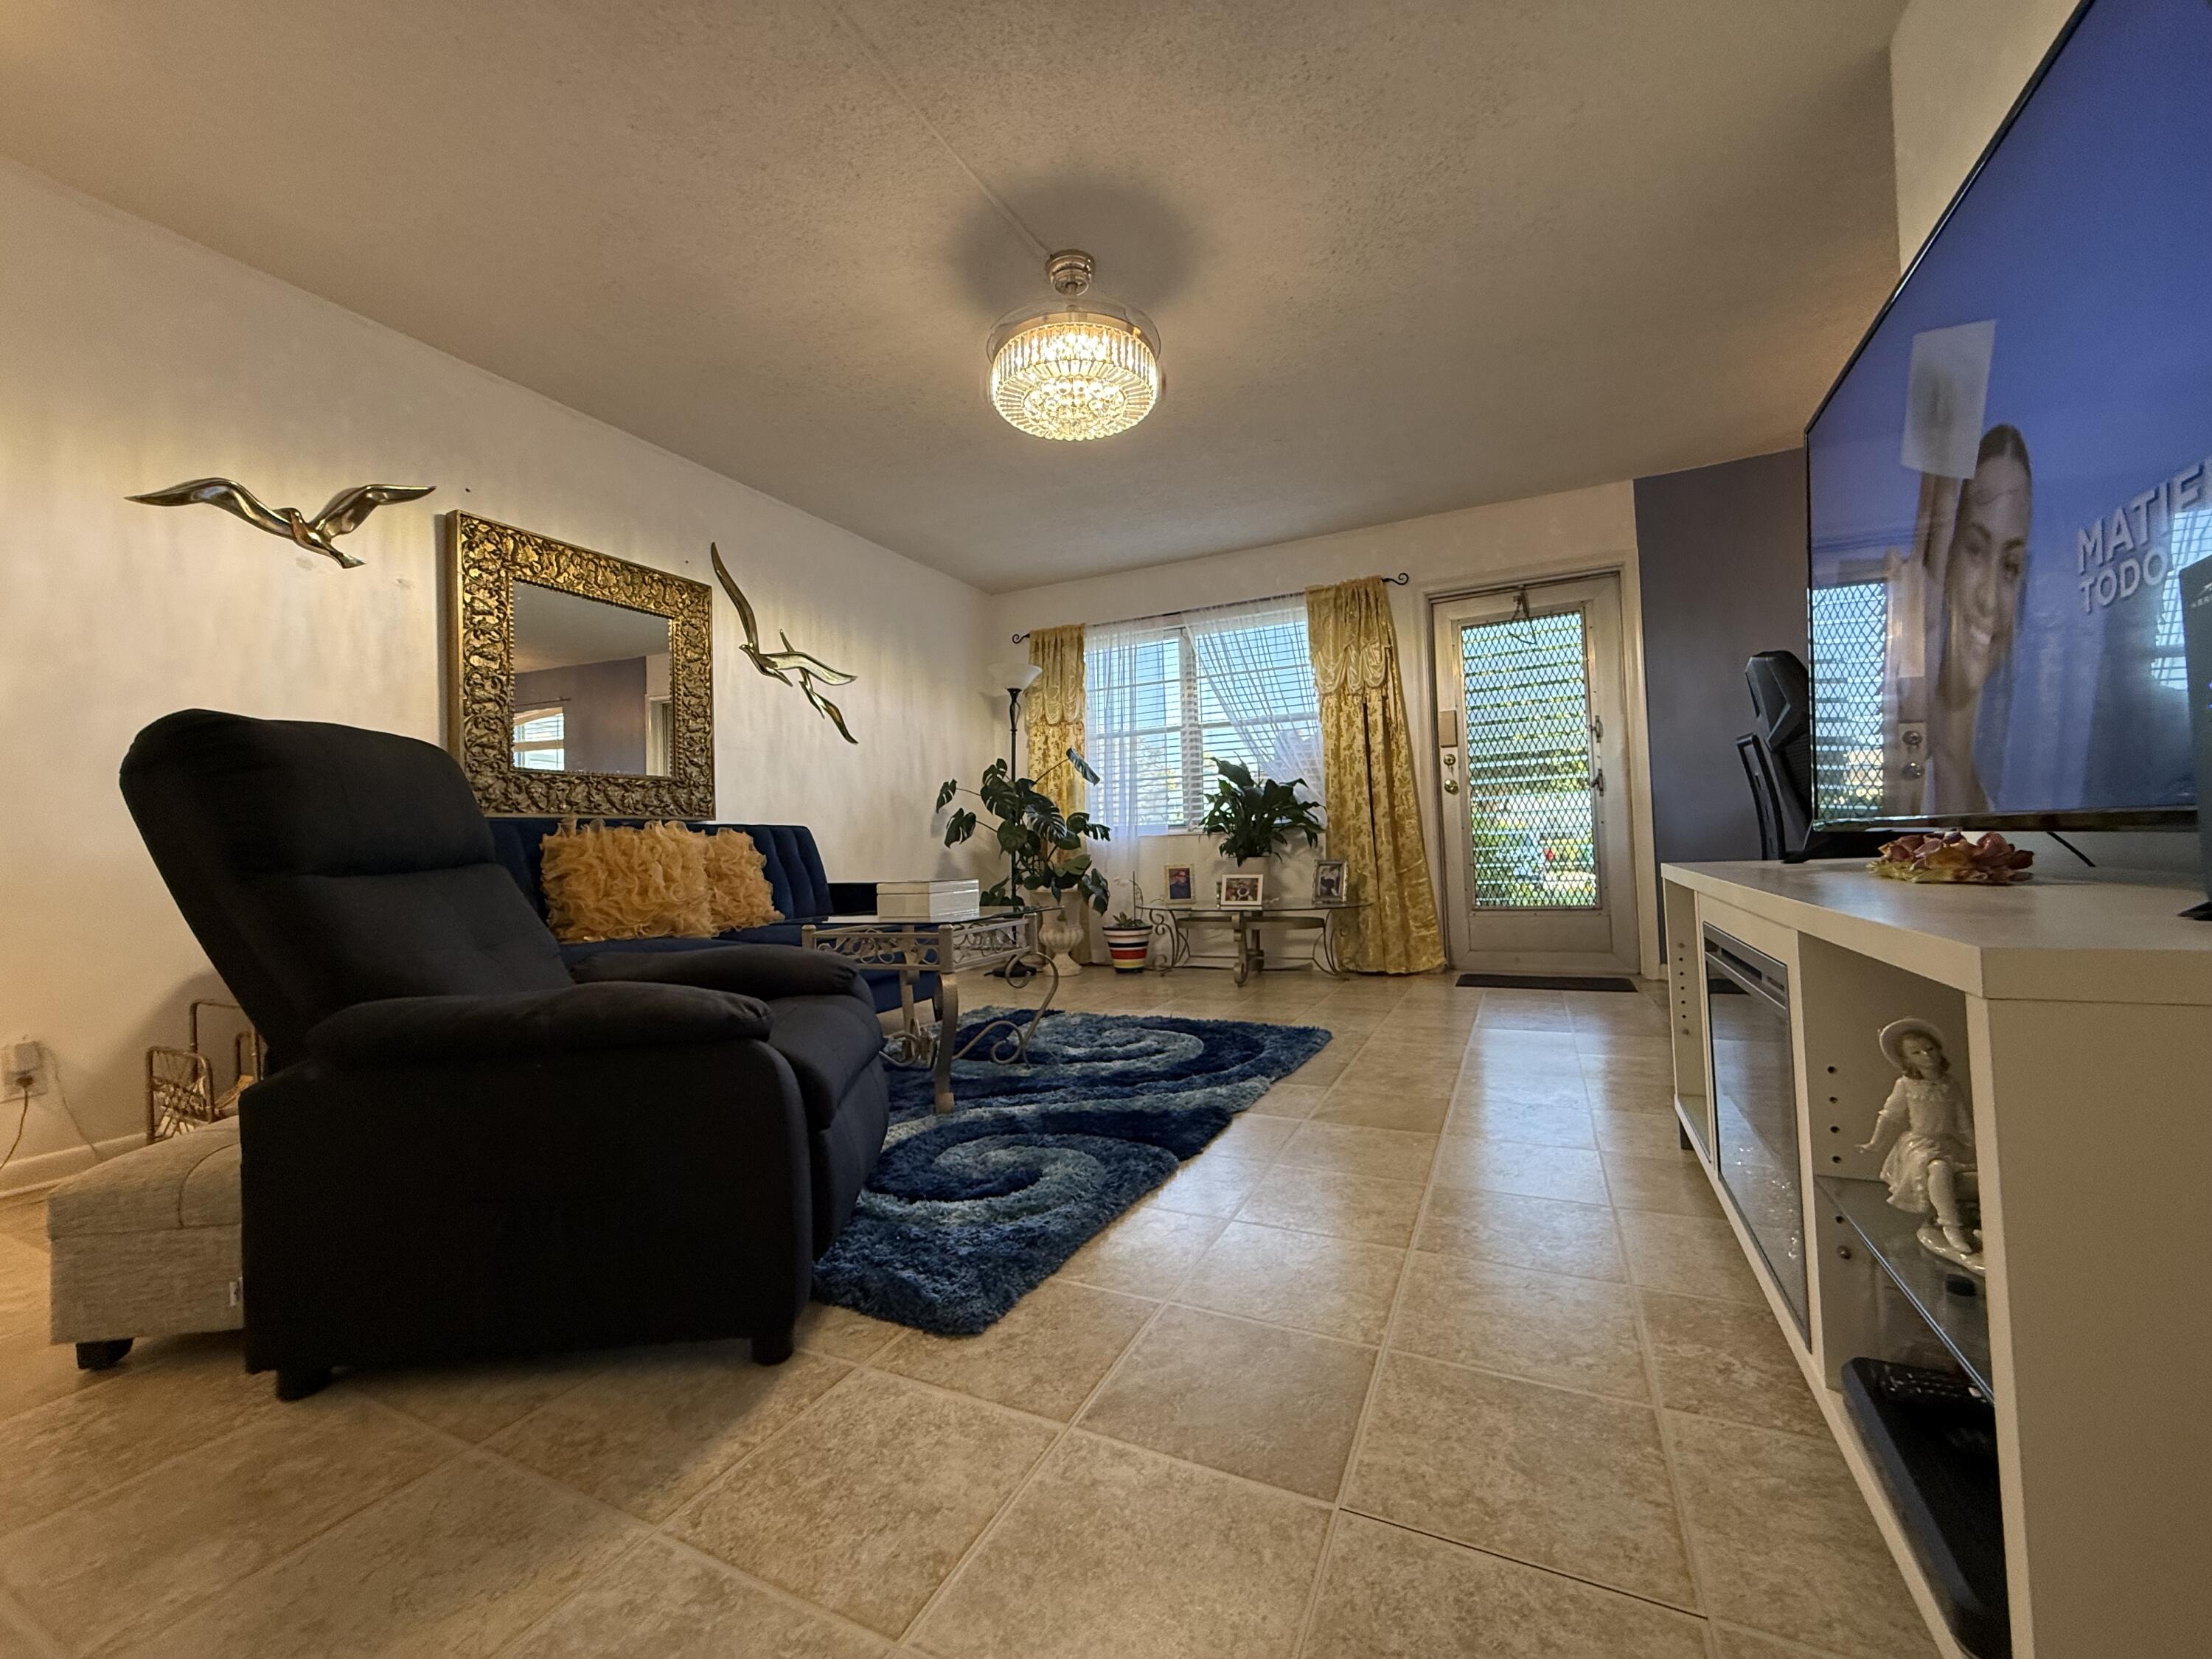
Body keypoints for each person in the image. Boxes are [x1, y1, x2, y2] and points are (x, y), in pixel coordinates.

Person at [1925, 424, 2032, 815]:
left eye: (2010, 565)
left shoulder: (1989, 807)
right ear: (1945, 555)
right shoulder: (1904, 784)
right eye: (1974, 549)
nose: (1989, 599)